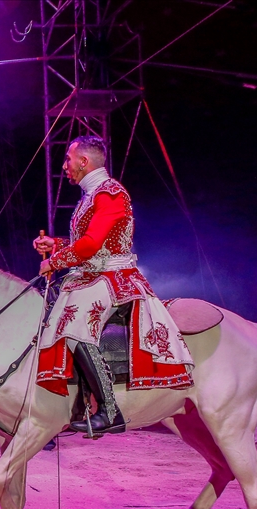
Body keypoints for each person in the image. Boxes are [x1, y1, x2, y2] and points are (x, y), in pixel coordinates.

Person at [34, 135, 194, 435]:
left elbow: (91, 245)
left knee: (73, 327)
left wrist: (55, 261)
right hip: (91, 275)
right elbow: (91, 241)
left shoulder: (110, 193)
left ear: (84, 161)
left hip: (113, 277)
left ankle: (110, 411)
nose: (65, 165)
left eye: (68, 159)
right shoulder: (92, 194)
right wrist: (56, 244)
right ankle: (75, 403)